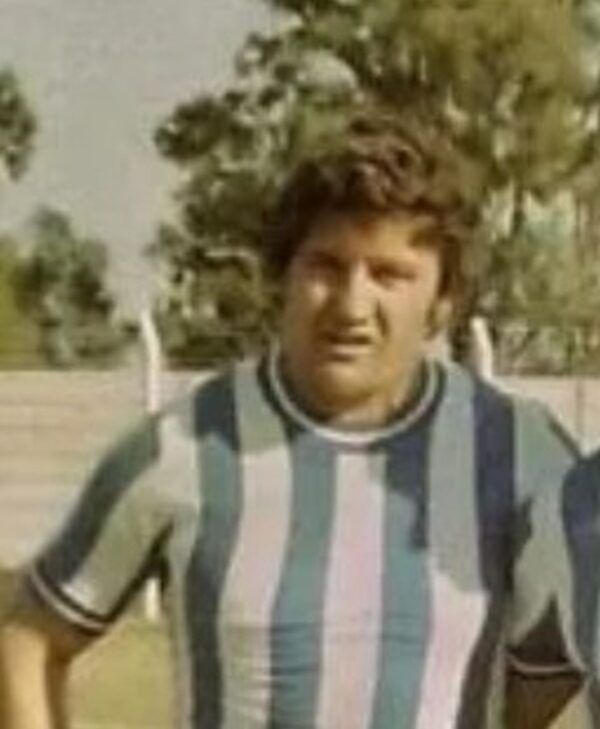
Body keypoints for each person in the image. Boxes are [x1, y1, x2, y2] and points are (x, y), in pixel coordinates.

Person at [0, 113, 586, 728]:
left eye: (389, 274)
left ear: (443, 300)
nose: (352, 305)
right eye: (327, 266)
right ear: (282, 275)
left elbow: (555, 674)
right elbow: (30, 638)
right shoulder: (181, 449)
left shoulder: (522, 456)